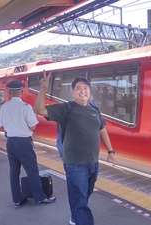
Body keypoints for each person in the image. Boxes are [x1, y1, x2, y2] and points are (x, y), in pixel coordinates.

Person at [34, 72, 117, 225]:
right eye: (78, 88)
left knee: (85, 194)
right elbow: (39, 110)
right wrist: (43, 89)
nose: (82, 91)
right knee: (80, 200)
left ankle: (75, 216)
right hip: (75, 164)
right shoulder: (66, 108)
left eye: (85, 87)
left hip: (93, 162)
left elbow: (102, 129)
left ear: (89, 91)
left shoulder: (94, 108)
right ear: (72, 91)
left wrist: (111, 151)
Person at [0, 81, 56, 208]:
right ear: (22, 92)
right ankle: (39, 198)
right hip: (23, 142)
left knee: (14, 172)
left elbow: (1, 126)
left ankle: (17, 200)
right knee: (32, 170)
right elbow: (33, 126)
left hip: (10, 142)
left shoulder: (4, 107)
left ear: (9, 92)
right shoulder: (26, 107)